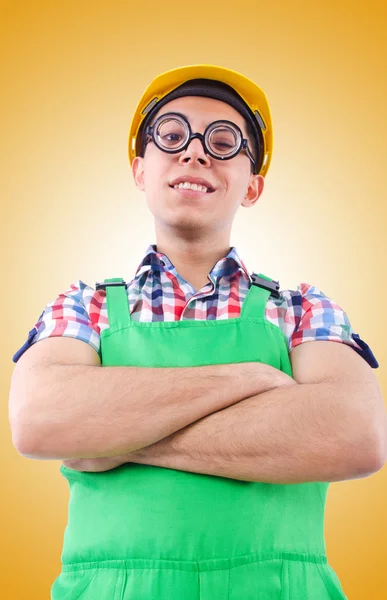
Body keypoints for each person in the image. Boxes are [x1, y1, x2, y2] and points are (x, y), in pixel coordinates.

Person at [9, 64, 384, 600]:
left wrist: (107, 436)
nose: (194, 151)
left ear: (252, 186)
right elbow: (39, 420)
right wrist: (250, 379)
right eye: (171, 135)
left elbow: (357, 434)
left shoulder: (304, 308)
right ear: (140, 170)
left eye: (224, 141)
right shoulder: (82, 305)